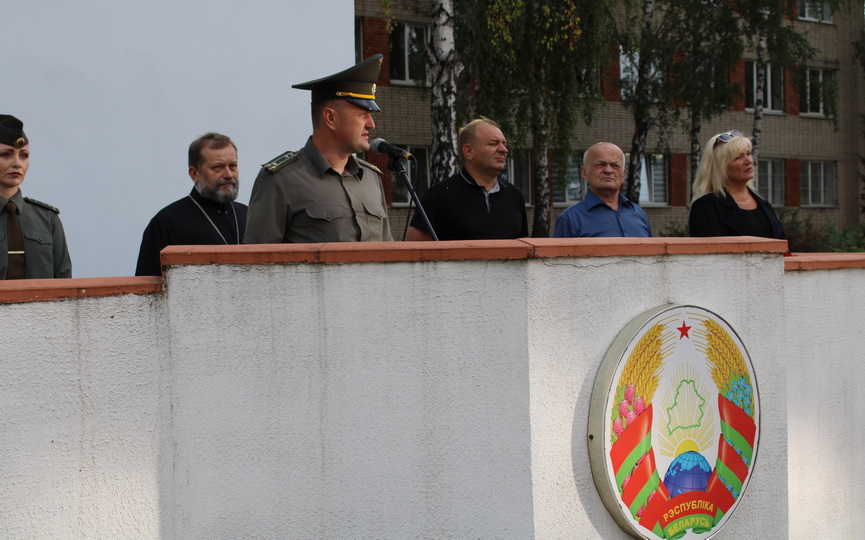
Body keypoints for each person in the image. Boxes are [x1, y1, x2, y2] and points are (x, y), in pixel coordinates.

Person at [244, 55, 392, 244]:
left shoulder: (371, 178)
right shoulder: (281, 179)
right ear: (330, 118)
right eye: (362, 115)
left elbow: (388, 253)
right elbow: (258, 263)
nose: (371, 124)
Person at [135, 132, 247, 276]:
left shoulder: (249, 216)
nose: (229, 175)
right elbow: (148, 287)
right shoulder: (166, 223)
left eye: (233, 166)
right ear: (195, 174)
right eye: (218, 167)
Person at [405, 117, 528, 241]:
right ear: (469, 151)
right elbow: (413, 251)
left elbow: (523, 250)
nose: (504, 150)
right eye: (493, 143)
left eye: (504, 144)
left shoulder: (515, 196)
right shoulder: (441, 195)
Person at [0, 114, 72, 279]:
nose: (17, 163)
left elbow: (63, 282)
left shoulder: (47, 218)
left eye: (23, 155)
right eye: (6, 154)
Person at [689, 130, 783, 239]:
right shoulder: (707, 207)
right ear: (720, 167)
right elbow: (712, 253)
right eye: (738, 157)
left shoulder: (763, 203)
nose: (748, 161)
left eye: (748, 154)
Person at [553, 142, 652, 238]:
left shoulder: (638, 213)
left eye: (615, 166)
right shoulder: (570, 219)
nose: (608, 170)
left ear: (623, 175)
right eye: (600, 165)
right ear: (584, 172)